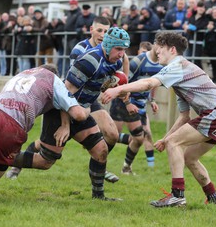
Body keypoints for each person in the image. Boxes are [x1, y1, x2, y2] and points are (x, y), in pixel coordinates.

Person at [101, 31, 216, 207]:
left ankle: (177, 195)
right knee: (189, 158)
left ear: (172, 50)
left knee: (175, 143)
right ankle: (213, 198)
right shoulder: (182, 76)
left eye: (161, 48)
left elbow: (149, 83)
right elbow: (184, 117)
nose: (157, 51)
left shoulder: (177, 66)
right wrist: (165, 139)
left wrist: (118, 89)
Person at [9, 27, 130, 201]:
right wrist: (65, 125)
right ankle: (0, 157)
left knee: (101, 150)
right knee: (45, 162)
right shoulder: (90, 60)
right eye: (119, 49)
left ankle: (98, 197)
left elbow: (107, 76)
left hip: (81, 110)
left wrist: (113, 84)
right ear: (109, 45)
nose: (121, 54)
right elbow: (65, 93)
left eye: (124, 50)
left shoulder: (115, 61)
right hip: (61, 111)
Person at [110, 43, 162, 172]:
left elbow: (152, 84)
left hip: (140, 106)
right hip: (125, 102)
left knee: (141, 137)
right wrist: (127, 103)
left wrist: (152, 100)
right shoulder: (138, 61)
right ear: (157, 45)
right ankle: (96, 143)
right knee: (112, 136)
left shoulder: (161, 64)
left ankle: (128, 168)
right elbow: (123, 83)